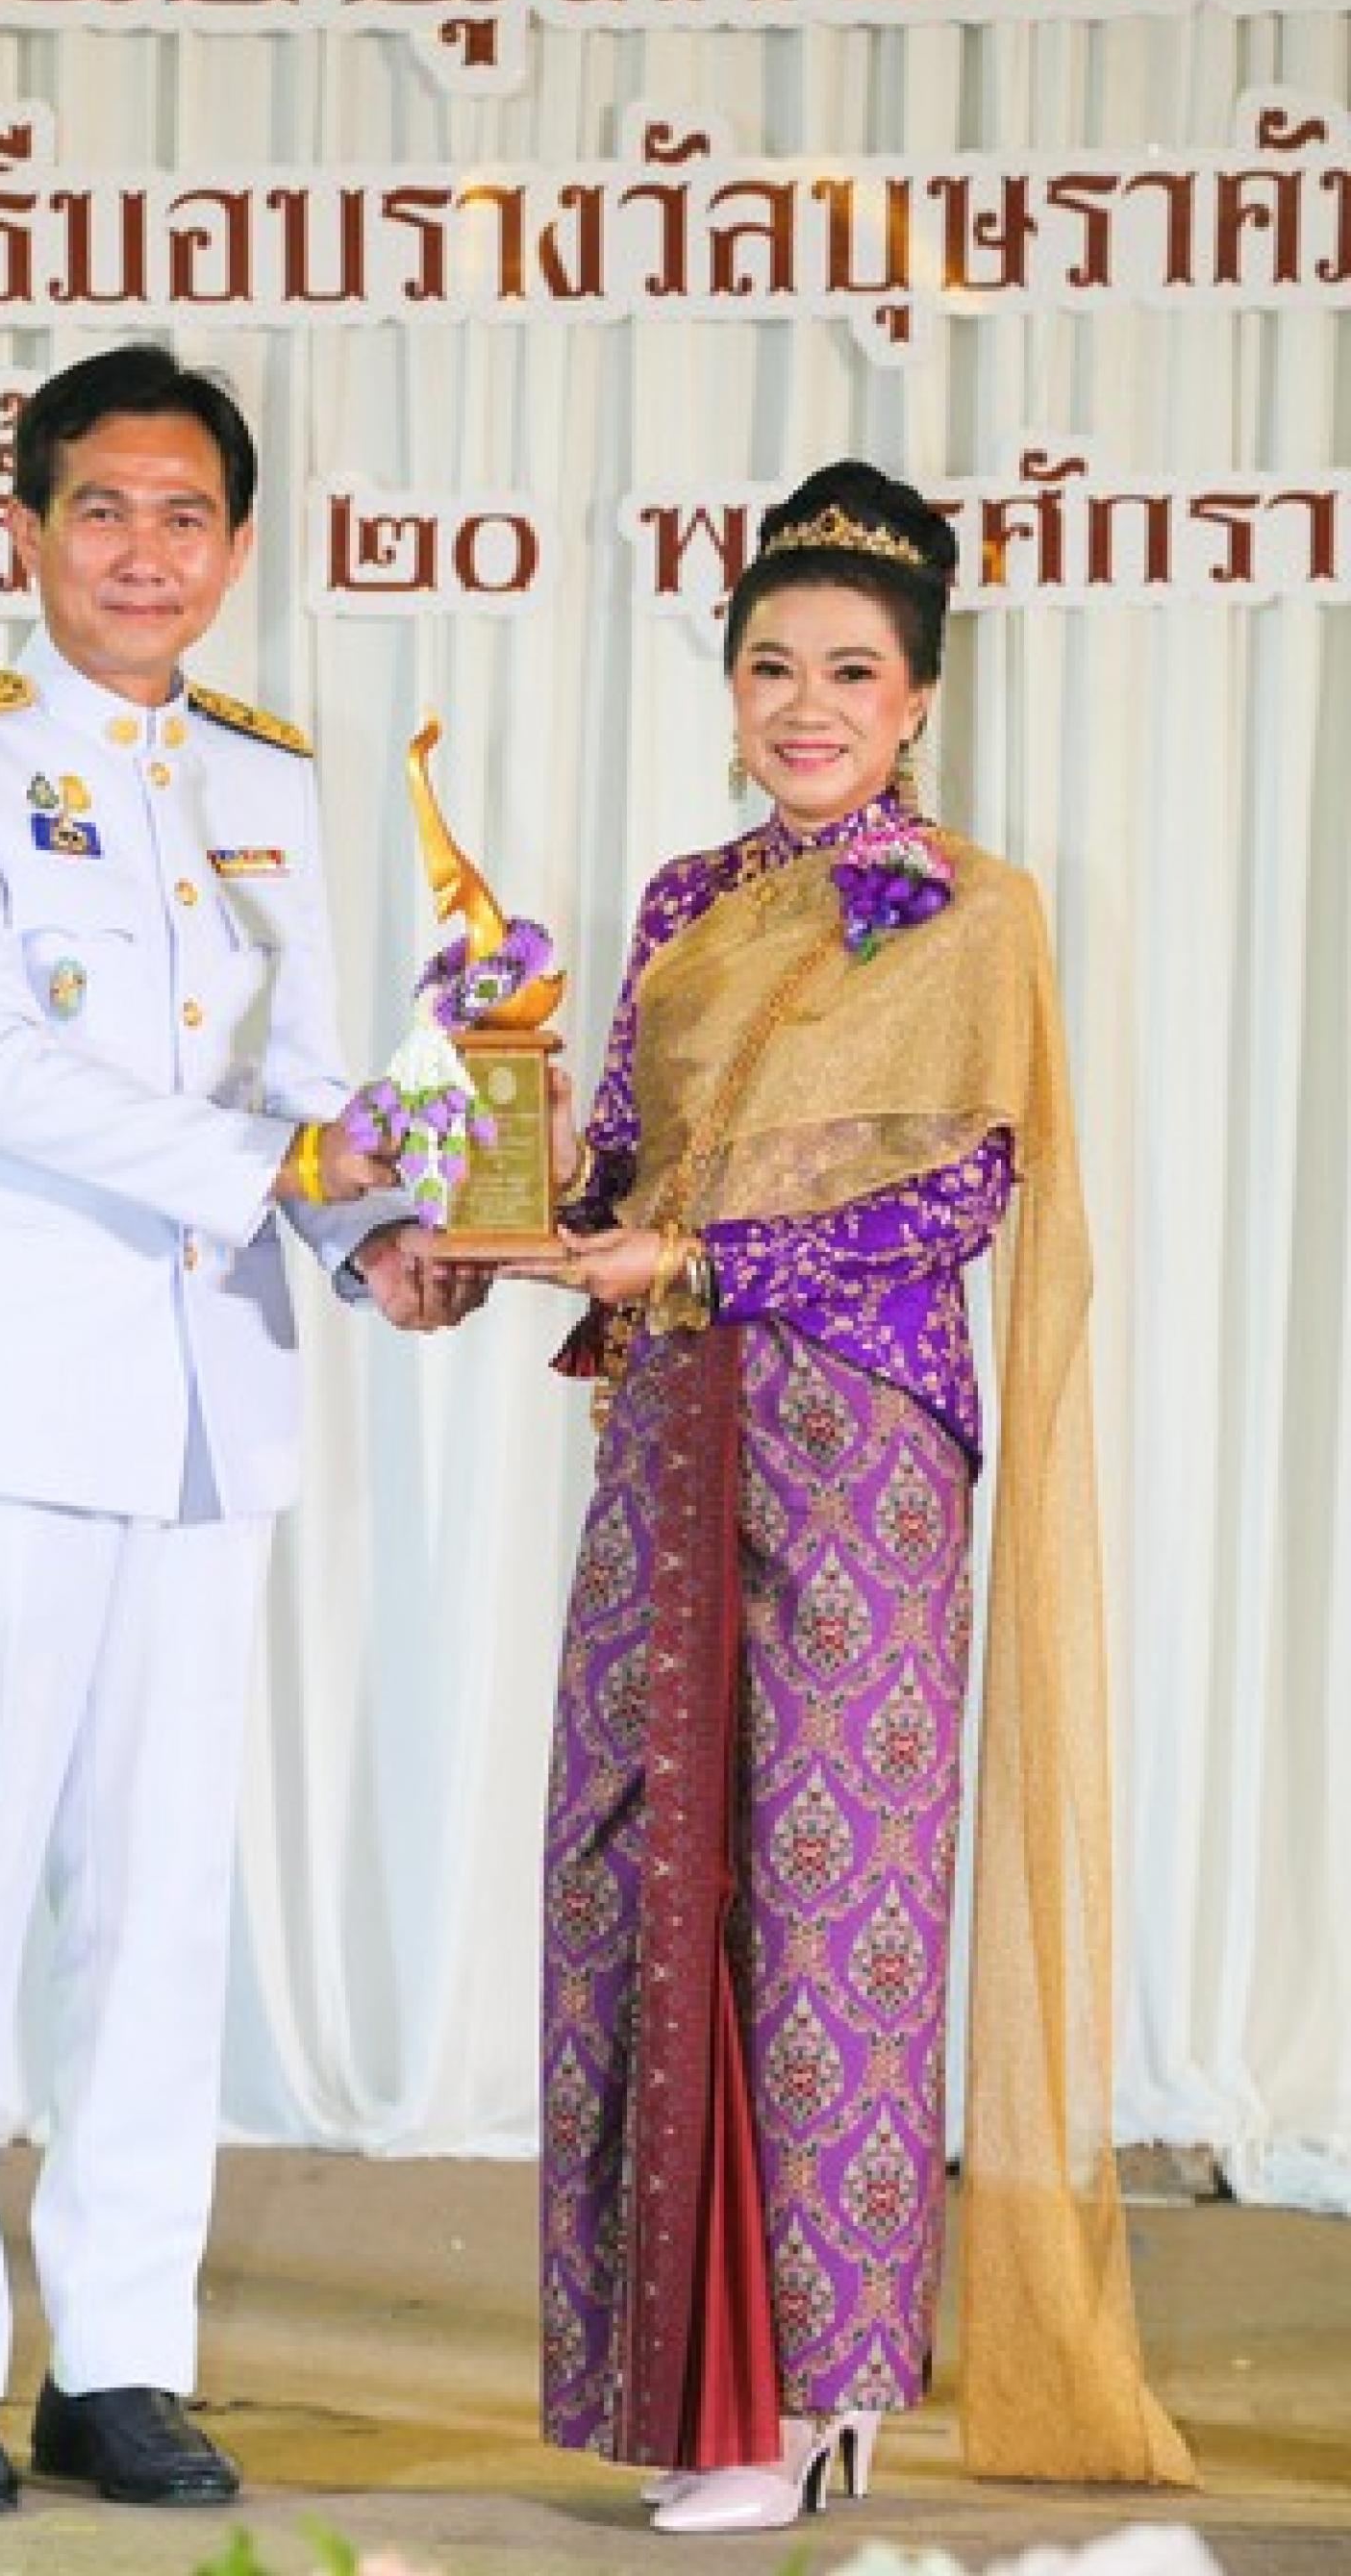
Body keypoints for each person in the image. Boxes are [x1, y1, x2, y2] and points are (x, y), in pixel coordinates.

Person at [506, 461, 1194, 2531]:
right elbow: (614, 1170)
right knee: (639, 1869)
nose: (807, 705)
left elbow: (957, 1198)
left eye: (852, 673)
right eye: (772, 667)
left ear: (918, 702)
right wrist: (476, 1191)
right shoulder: (681, 905)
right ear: (728, 689)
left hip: (860, 1447)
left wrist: (698, 1261)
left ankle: (816, 2392)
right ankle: (686, 2380)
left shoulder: (978, 912)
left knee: (827, 1907)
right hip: (669, 1433)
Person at [0, 342, 486, 2514]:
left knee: (155, 1906)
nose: (144, 552)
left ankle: (118, 2358)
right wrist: (288, 1174)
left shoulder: (266, 771)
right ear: (22, 528)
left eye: (184, 515)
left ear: (236, 543)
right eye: (103, 509)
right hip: (3, 1398)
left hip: (213, 1403)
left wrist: (386, 1236)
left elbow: (304, 1074)